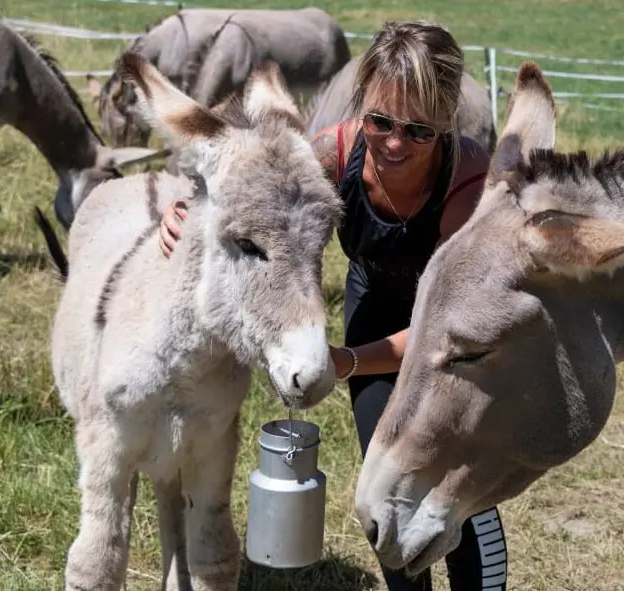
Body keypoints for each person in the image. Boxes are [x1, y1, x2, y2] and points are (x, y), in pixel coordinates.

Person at [158, 20, 509, 591]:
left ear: (446, 122)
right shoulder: (334, 152)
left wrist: (342, 362)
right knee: (385, 482)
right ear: (361, 105)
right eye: (380, 121)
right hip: (373, 302)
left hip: (458, 336)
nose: (394, 142)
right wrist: (190, 210)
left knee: (452, 485)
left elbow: (440, 331)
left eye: (419, 131)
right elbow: (251, 187)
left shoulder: (469, 185)